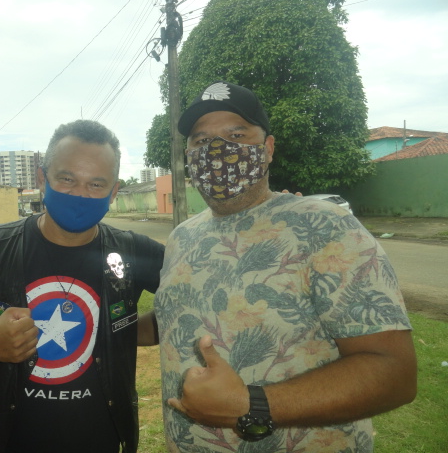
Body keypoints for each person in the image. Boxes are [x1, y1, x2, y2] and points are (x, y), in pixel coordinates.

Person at [152, 81, 417, 452]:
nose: (216, 150)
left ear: (268, 148)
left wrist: (251, 405)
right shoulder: (182, 237)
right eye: (201, 140)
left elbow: (394, 373)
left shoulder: (325, 226)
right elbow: (178, 316)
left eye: (236, 135)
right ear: (188, 155)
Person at [0, 119, 164, 453]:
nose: (80, 194)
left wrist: (124, 331)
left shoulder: (133, 252)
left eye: (96, 184)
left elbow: (197, 302)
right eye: (67, 179)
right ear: (43, 179)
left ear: (114, 191)